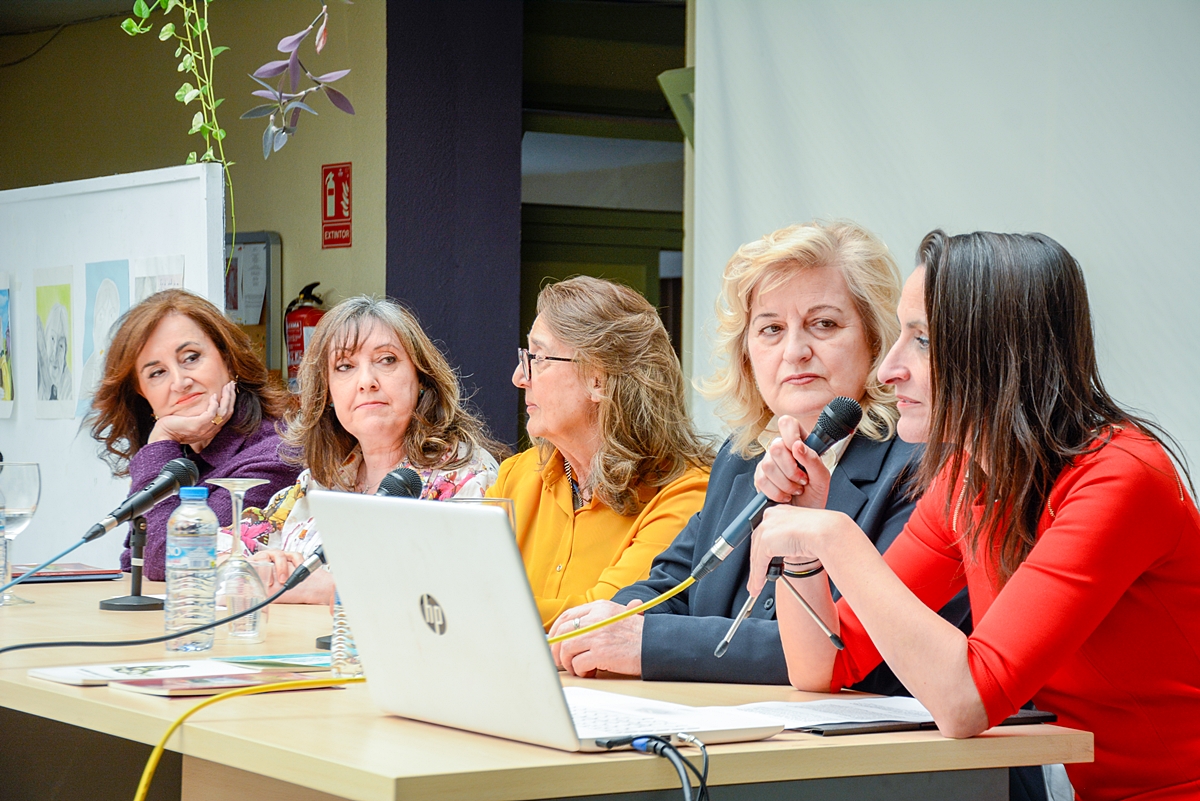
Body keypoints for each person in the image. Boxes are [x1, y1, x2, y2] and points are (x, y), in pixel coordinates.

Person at [749, 231, 1200, 800]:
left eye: (922, 342)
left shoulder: (1122, 476)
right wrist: (804, 538)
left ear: (998, 352)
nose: (889, 370)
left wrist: (835, 536)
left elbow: (968, 700)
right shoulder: (968, 477)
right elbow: (822, 667)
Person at [551, 221, 968, 692]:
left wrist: (647, 642)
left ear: (876, 340)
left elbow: (849, 649)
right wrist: (610, 621)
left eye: (824, 324)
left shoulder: (922, 465)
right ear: (747, 354)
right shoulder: (742, 457)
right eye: (771, 329)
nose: (795, 351)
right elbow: (673, 584)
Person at [488, 276, 714, 629]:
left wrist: (478, 609)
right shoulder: (515, 476)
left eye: (538, 357)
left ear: (599, 379)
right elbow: (462, 585)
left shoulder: (687, 493)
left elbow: (603, 617)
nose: (520, 376)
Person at [247, 296, 505, 604]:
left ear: (420, 376)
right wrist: (259, 566)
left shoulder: (467, 475)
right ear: (326, 393)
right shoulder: (318, 483)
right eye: (345, 366)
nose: (366, 381)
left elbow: (472, 596)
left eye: (386, 360)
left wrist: (331, 590)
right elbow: (212, 554)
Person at [88, 289, 299, 581]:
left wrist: (162, 437)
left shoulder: (276, 453)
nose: (180, 382)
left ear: (227, 358)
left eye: (191, 357)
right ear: (141, 392)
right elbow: (134, 558)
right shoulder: (182, 455)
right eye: (157, 373)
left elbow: (176, 559)